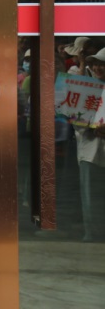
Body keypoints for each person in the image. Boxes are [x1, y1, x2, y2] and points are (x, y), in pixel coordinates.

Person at [74, 47, 105, 242]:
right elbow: (75, 119)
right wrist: (93, 127)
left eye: (102, 64)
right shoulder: (85, 89)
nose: (97, 68)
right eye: (95, 64)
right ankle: (92, 234)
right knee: (90, 196)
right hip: (90, 151)